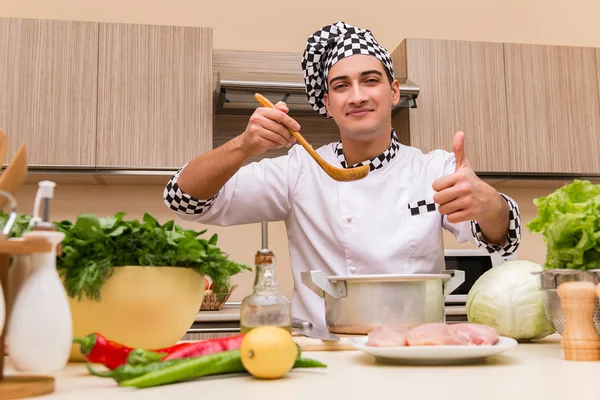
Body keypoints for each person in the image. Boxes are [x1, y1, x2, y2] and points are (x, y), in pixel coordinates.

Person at [163, 22, 521, 328]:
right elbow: (184, 200)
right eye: (341, 86)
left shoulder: (434, 168)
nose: (357, 96)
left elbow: (499, 238)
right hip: (325, 350)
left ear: (393, 92)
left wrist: (489, 203)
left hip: (415, 351)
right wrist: (241, 145)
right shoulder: (298, 169)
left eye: (370, 81)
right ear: (327, 104)